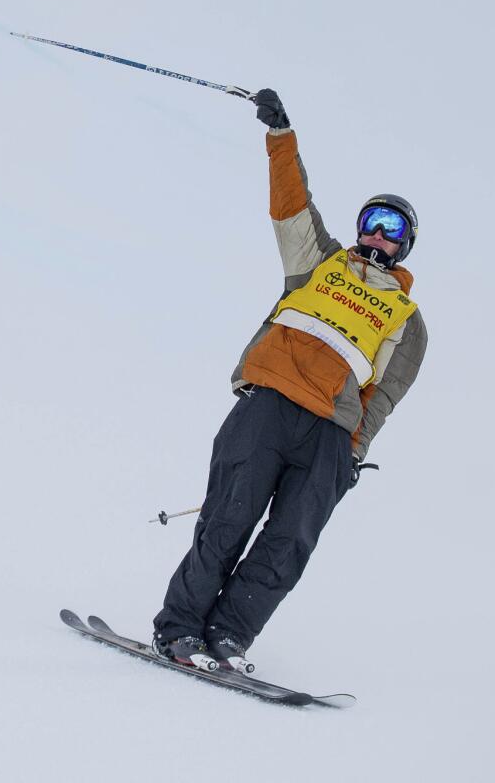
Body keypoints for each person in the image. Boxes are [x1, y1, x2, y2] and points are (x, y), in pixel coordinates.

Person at [151, 88, 428, 672]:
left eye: (391, 228)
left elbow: (384, 398)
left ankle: (228, 636)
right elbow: (291, 204)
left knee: (289, 543)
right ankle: (179, 630)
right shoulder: (319, 262)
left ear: (405, 244)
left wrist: (353, 453)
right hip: (270, 405)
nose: (378, 235)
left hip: (330, 433)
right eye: (371, 222)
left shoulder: (409, 321)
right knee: (228, 518)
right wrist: (281, 136)